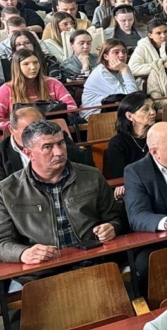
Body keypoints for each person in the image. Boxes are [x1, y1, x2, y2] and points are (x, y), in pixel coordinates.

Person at [0, 119, 121, 264]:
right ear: (28, 153)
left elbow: (115, 217)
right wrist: (23, 253)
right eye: (47, 147)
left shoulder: (92, 176)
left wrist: (112, 227)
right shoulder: (6, 191)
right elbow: (2, 242)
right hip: (42, 268)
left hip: (93, 259)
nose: (58, 152)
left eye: (61, 143)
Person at [0, 104, 91, 178]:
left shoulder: (58, 138)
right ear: (11, 129)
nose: (36, 134)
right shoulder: (1, 152)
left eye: (41, 127)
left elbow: (84, 165)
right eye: (27, 130)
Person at [0, 49, 75, 128]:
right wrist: (19, 125)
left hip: (53, 129)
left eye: (36, 62)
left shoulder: (54, 83)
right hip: (21, 132)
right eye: (26, 64)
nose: (33, 67)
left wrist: (45, 123)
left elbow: (71, 107)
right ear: (17, 67)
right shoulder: (5, 90)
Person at [104, 92, 156, 183]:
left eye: (153, 107)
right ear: (129, 116)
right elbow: (120, 176)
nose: (153, 112)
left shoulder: (159, 135)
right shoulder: (118, 143)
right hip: (133, 185)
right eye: (146, 109)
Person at [81, 39, 140, 111]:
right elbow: (131, 97)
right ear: (106, 56)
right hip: (95, 113)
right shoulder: (102, 73)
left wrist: (124, 69)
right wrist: (125, 69)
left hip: (115, 108)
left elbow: (135, 94)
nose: (122, 55)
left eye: (124, 51)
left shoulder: (121, 67)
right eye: (116, 52)